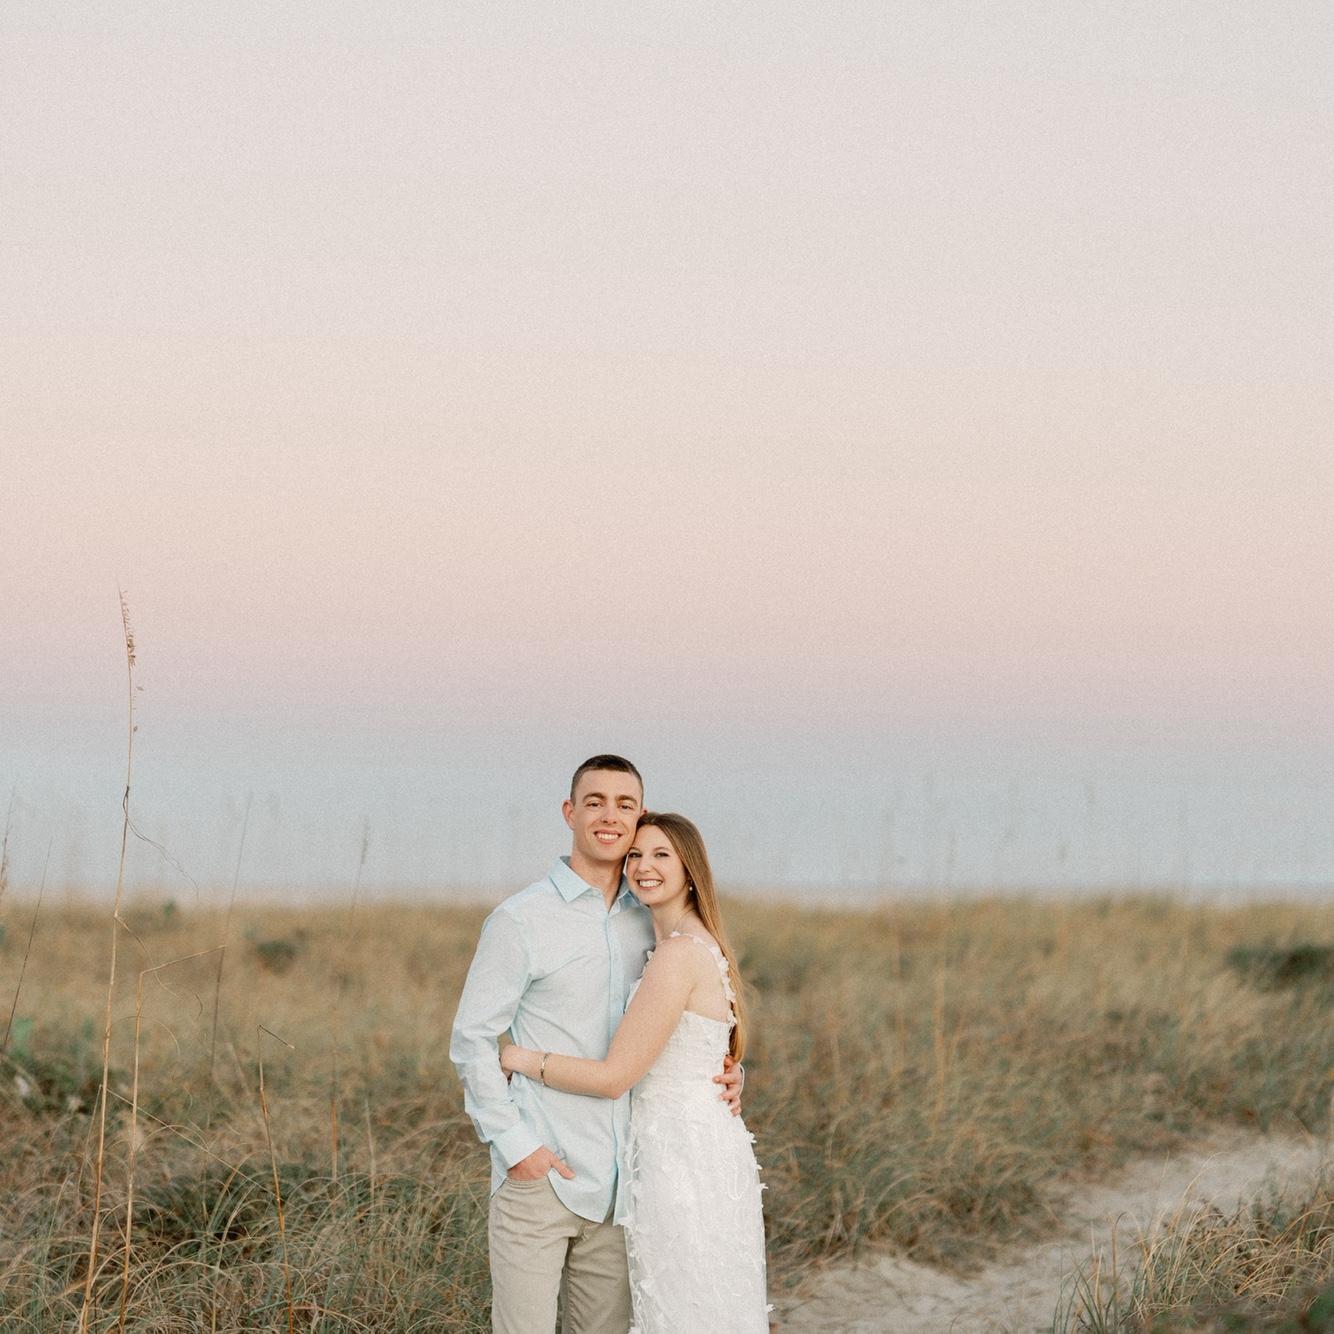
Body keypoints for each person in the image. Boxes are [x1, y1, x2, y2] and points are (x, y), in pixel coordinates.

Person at [449, 757, 743, 1334]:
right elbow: (472, 1040)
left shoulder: (652, 916)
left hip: (625, 1188)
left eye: (624, 805)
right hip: (542, 1172)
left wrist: (725, 1072)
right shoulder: (521, 919)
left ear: (639, 818)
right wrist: (517, 1148)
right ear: (570, 812)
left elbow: (690, 1018)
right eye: (594, 802)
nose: (610, 816)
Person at [501, 812, 770, 1334]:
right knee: (699, 1298)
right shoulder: (682, 943)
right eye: (636, 855)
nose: (644, 866)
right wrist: (733, 1072)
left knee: (681, 1302)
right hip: (699, 1142)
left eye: (661, 855)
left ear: (690, 870)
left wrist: (521, 1059)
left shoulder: (677, 954)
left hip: (678, 1152)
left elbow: (614, 1077)